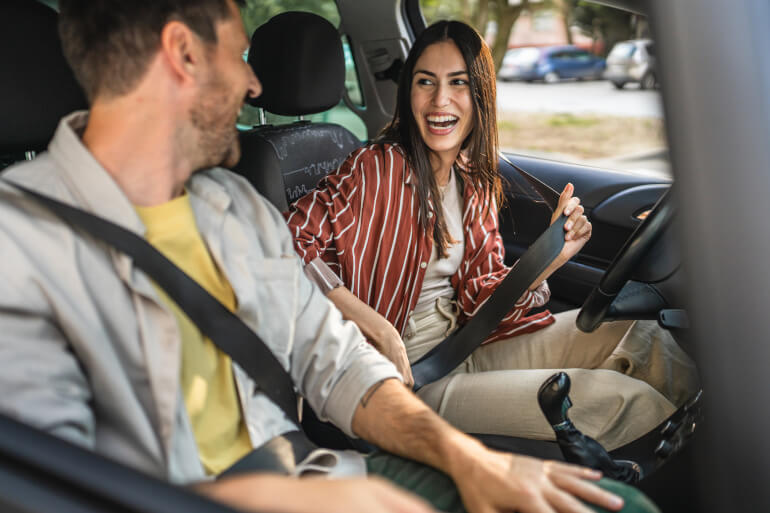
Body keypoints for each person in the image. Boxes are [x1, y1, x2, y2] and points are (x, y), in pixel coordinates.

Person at [0, 1, 658, 513]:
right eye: (239, 55)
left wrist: (465, 458)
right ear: (183, 55)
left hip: (315, 472)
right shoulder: (18, 243)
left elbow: (339, 364)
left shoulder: (237, 207)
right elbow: (43, 488)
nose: (256, 83)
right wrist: (277, 497)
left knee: (610, 504)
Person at [285, 20, 699, 451]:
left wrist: (551, 257)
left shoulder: (475, 180)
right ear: (409, 93)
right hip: (404, 379)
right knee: (617, 402)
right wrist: (379, 329)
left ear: (480, 93)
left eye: (458, 82)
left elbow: (479, 300)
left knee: (645, 337)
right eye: (425, 82)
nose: (439, 100)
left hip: (468, 344)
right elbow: (284, 243)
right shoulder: (377, 167)